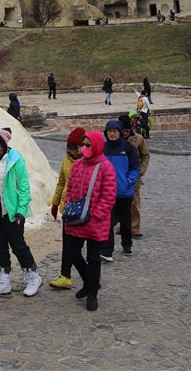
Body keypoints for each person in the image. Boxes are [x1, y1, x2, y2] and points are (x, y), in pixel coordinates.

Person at [0, 127, 41, 297]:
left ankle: (33, 277)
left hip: (11, 211)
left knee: (18, 245)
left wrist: (21, 211)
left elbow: (24, 187)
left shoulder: (15, 159)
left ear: (3, 144)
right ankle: (3, 281)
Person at [62, 130, 117, 311]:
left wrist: (96, 214)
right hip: (76, 218)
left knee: (93, 258)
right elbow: (70, 188)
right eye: (83, 144)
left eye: (88, 144)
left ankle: (92, 293)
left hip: (94, 221)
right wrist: (68, 204)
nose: (84, 147)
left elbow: (108, 195)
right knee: (71, 251)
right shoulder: (77, 165)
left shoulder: (106, 167)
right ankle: (90, 282)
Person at [48, 127, 87, 290]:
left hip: (84, 210)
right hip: (68, 209)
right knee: (68, 245)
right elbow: (61, 182)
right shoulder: (66, 159)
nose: (71, 151)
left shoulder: (89, 160)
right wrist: (55, 203)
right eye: (69, 147)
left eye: (74, 147)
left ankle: (90, 277)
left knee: (77, 248)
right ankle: (65, 276)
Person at [100, 121, 140, 262]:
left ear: (120, 132)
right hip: (107, 193)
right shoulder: (103, 148)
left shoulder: (128, 148)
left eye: (115, 131)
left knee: (125, 222)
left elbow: (135, 168)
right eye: (110, 131)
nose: (112, 134)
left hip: (124, 193)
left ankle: (127, 245)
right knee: (107, 223)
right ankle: (107, 251)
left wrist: (128, 182)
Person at [118, 114, 148, 238]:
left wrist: (141, 171)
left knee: (134, 202)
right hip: (120, 176)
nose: (125, 133)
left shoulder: (139, 139)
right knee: (120, 202)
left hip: (134, 175)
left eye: (127, 130)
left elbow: (145, 156)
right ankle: (123, 225)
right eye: (123, 131)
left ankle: (134, 227)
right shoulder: (115, 140)